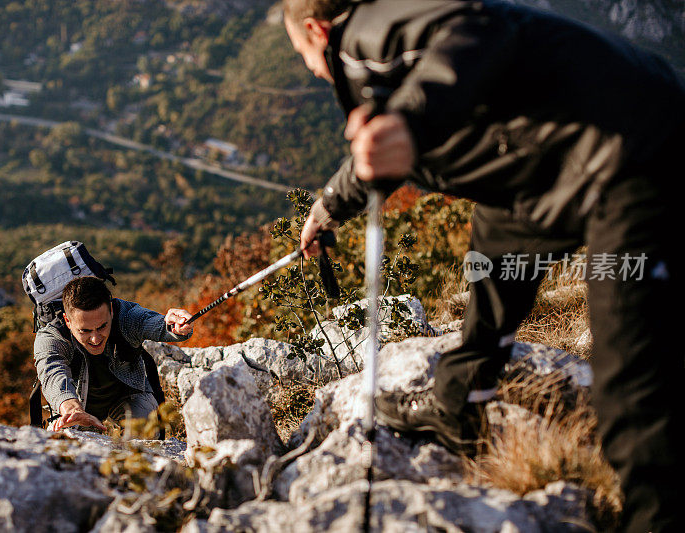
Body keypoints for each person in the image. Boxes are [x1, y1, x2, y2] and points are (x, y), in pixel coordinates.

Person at [284, 0, 684, 530]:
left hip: (635, 161)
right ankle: (457, 403)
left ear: (316, 29)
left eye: (302, 54)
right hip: (555, 166)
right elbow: (389, 132)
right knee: (495, 253)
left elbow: (479, 28)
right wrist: (331, 205)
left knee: (629, 376)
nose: (312, 70)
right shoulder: (386, 35)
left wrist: (411, 123)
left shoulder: (360, 34)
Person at [34, 276, 193, 432]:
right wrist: (72, 409)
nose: (95, 339)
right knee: (65, 443)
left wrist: (174, 326)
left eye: (102, 327)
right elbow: (52, 373)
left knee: (146, 433)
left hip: (127, 395)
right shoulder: (51, 338)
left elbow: (153, 323)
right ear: (67, 321)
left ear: (111, 310)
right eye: (85, 331)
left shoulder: (125, 316)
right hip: (78, 402)